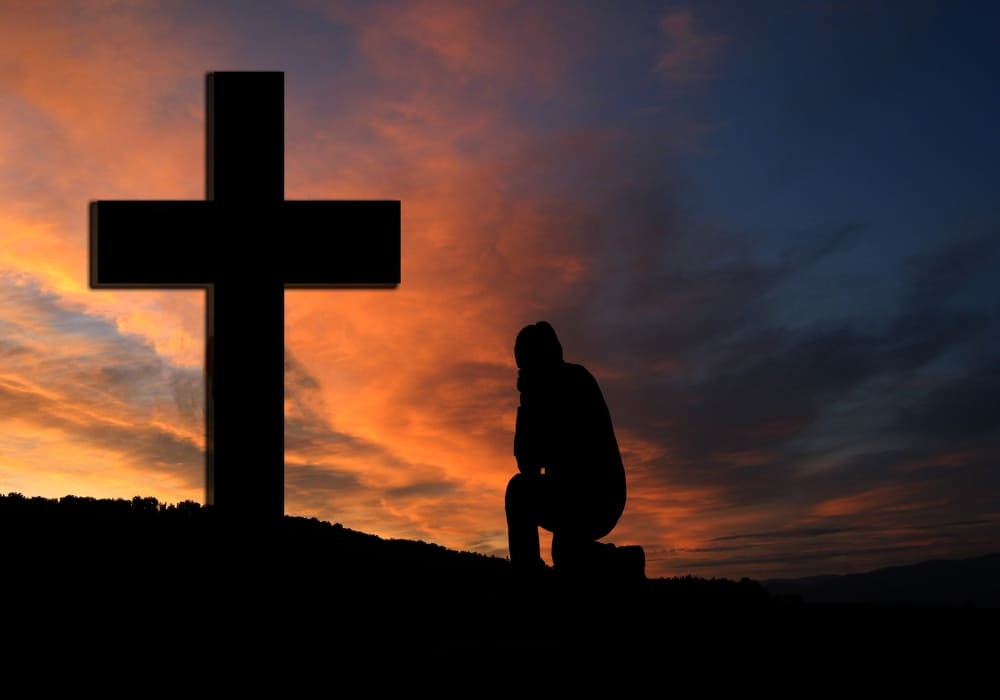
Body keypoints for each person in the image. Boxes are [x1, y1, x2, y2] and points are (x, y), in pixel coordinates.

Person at [505, 321, 637, 581]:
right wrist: (528, 407)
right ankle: (625, 562)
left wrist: (532, 405)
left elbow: (557, 453)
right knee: (567, 555)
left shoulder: (575, 381)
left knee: (519, 491)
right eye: (522, 368)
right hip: (571, 495)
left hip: (598, 495)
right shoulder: (541, 394)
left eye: (528, 366)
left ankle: (527, 578)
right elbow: (527, 464)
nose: (524, 374)